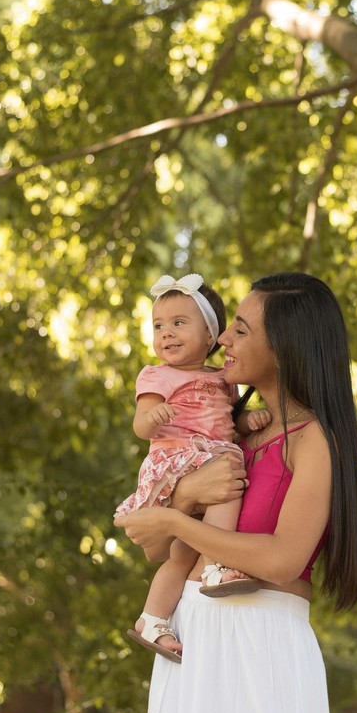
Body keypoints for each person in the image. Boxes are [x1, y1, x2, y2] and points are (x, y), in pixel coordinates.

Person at [115, 272, 357, 713]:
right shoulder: (228, 437)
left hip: (260, 644)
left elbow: (282, 561)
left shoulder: (314, 440)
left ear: (285, 347)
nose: (223, 339)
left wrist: (174, 517)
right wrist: (185, 496)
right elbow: (154, 548)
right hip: (190, 638)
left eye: (240, 329)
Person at [117, 273, 272, 664]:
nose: (166, 333)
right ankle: (217, 564)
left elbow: (227, 421)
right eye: (158, 326)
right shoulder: (157, 375)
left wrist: (247, 421)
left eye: (178, 323)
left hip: (210, 455)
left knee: (183, 554)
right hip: (176, 460)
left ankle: (152, 619)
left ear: (209, 335)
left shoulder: (223, 379)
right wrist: (152, 418)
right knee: (229, 478)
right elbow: (140, 426)